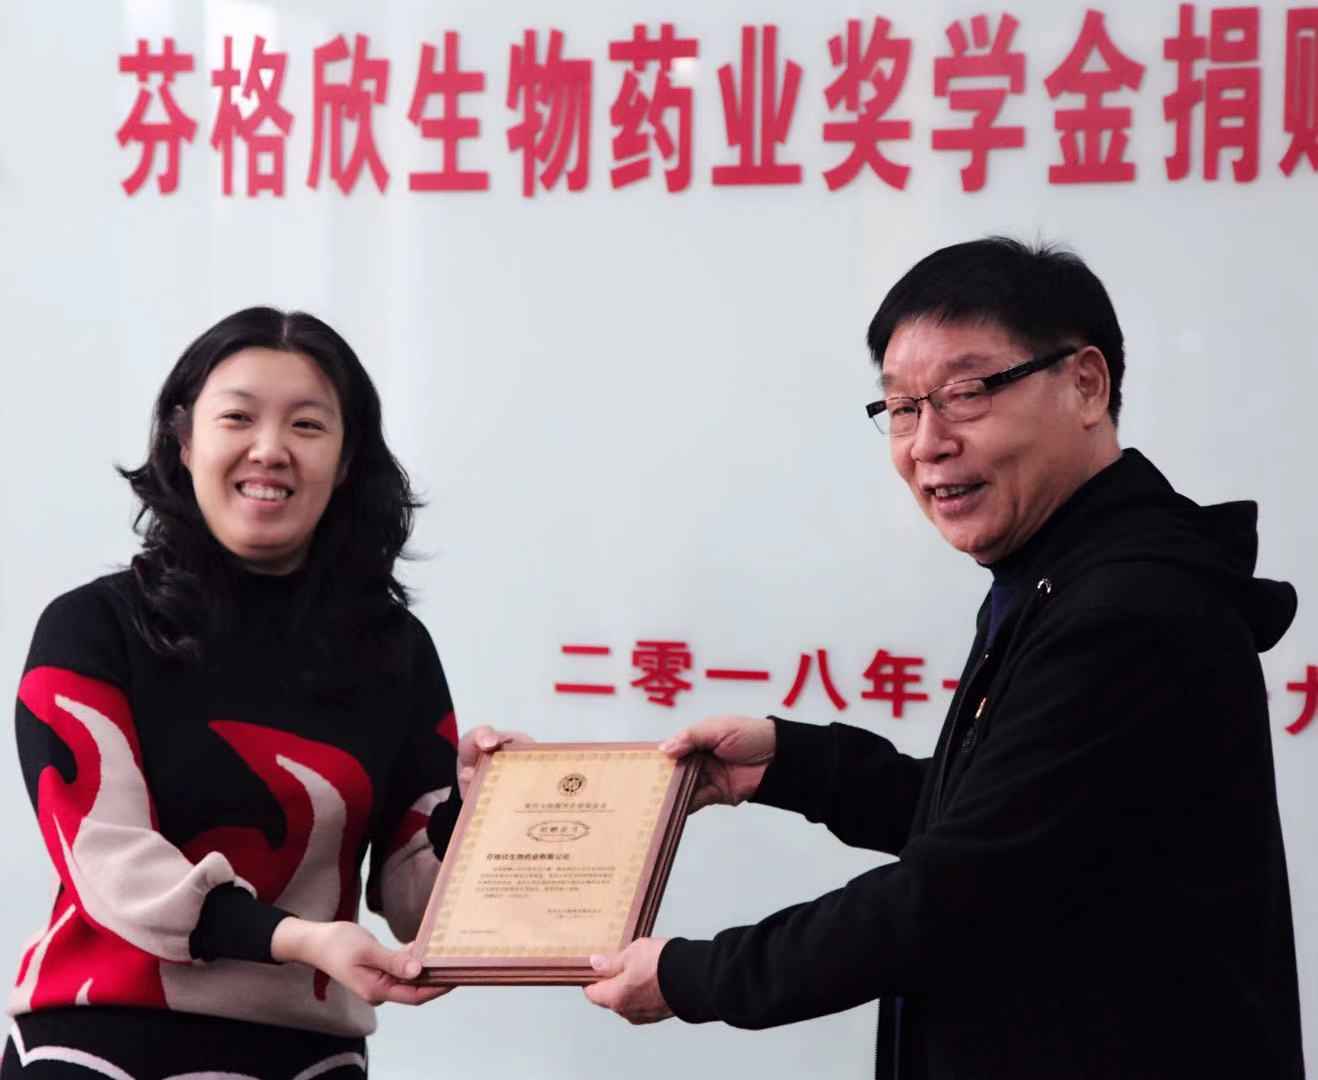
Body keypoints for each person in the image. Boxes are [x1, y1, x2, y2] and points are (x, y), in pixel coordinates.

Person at [580, 239, 1305, 1078]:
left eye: (966, 394)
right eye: (900, 407)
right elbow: (1016, 824)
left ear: (1086, 384)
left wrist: (692, 975)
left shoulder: (1126, 613)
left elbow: (959, 889)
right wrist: (794, 765)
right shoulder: (1060, 574)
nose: (927, 443)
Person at [4, 308, 490, 1077]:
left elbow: (415, 901)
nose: (270, 448)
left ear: (347, 458)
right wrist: (297, 940)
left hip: (311, 1058)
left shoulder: (394, 649)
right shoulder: (91, 628)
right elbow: (115, 868)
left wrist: (482, 809)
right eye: (238, 417)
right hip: (102, 1044)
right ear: (183, 440)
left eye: (307, 425)